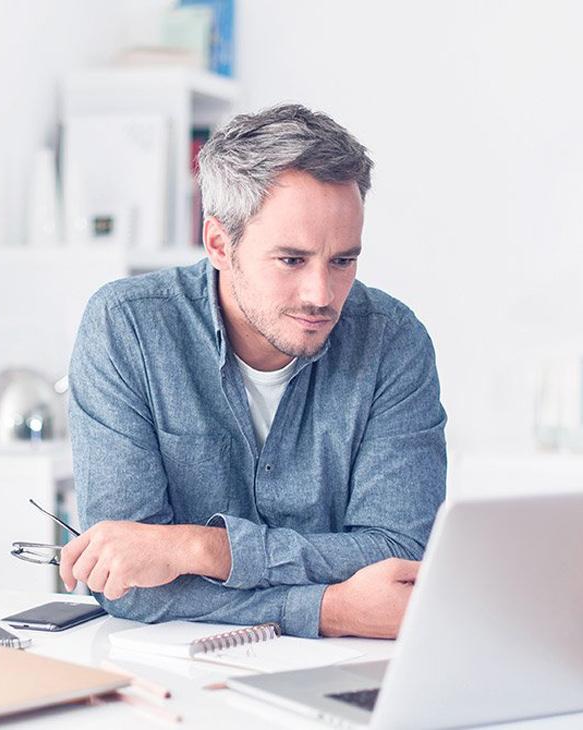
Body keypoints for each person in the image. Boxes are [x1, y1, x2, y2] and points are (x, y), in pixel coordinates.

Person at [60, 104, 446, 639]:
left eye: (343, 261)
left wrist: (198, 548)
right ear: (220, 244)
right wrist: (330, 608)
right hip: (178, 675)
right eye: (291, 260)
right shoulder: (127, 328)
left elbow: (399, 557)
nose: (321, 295)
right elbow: (130, 584)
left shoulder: (393, 341)